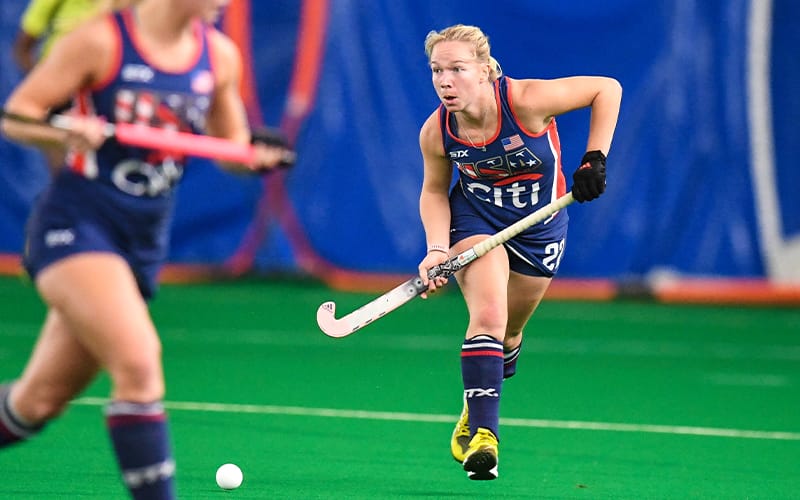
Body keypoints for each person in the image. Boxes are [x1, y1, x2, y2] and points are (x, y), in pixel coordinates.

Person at [0, 0, 290, 498]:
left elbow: (231, 150)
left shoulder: (219, 56)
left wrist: (255, 156)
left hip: (143, 240)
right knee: (139, 364)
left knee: (38, 401)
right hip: (78, 225)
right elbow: (16, 117)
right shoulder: (100, 40)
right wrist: (64, 128)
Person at [417, 24, 621, 480]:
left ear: (486, 70)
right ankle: (484, 439)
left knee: (508, 334)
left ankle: (480, 392)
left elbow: (607, 89)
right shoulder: (437, 132)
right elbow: (433, 191)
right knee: (487, 318)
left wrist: (595, 157)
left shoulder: (525, 101)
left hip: (540, 228)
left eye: (457, 69)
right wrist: (435, 249)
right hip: (476, 223)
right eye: (436, 71)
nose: (445, 81)